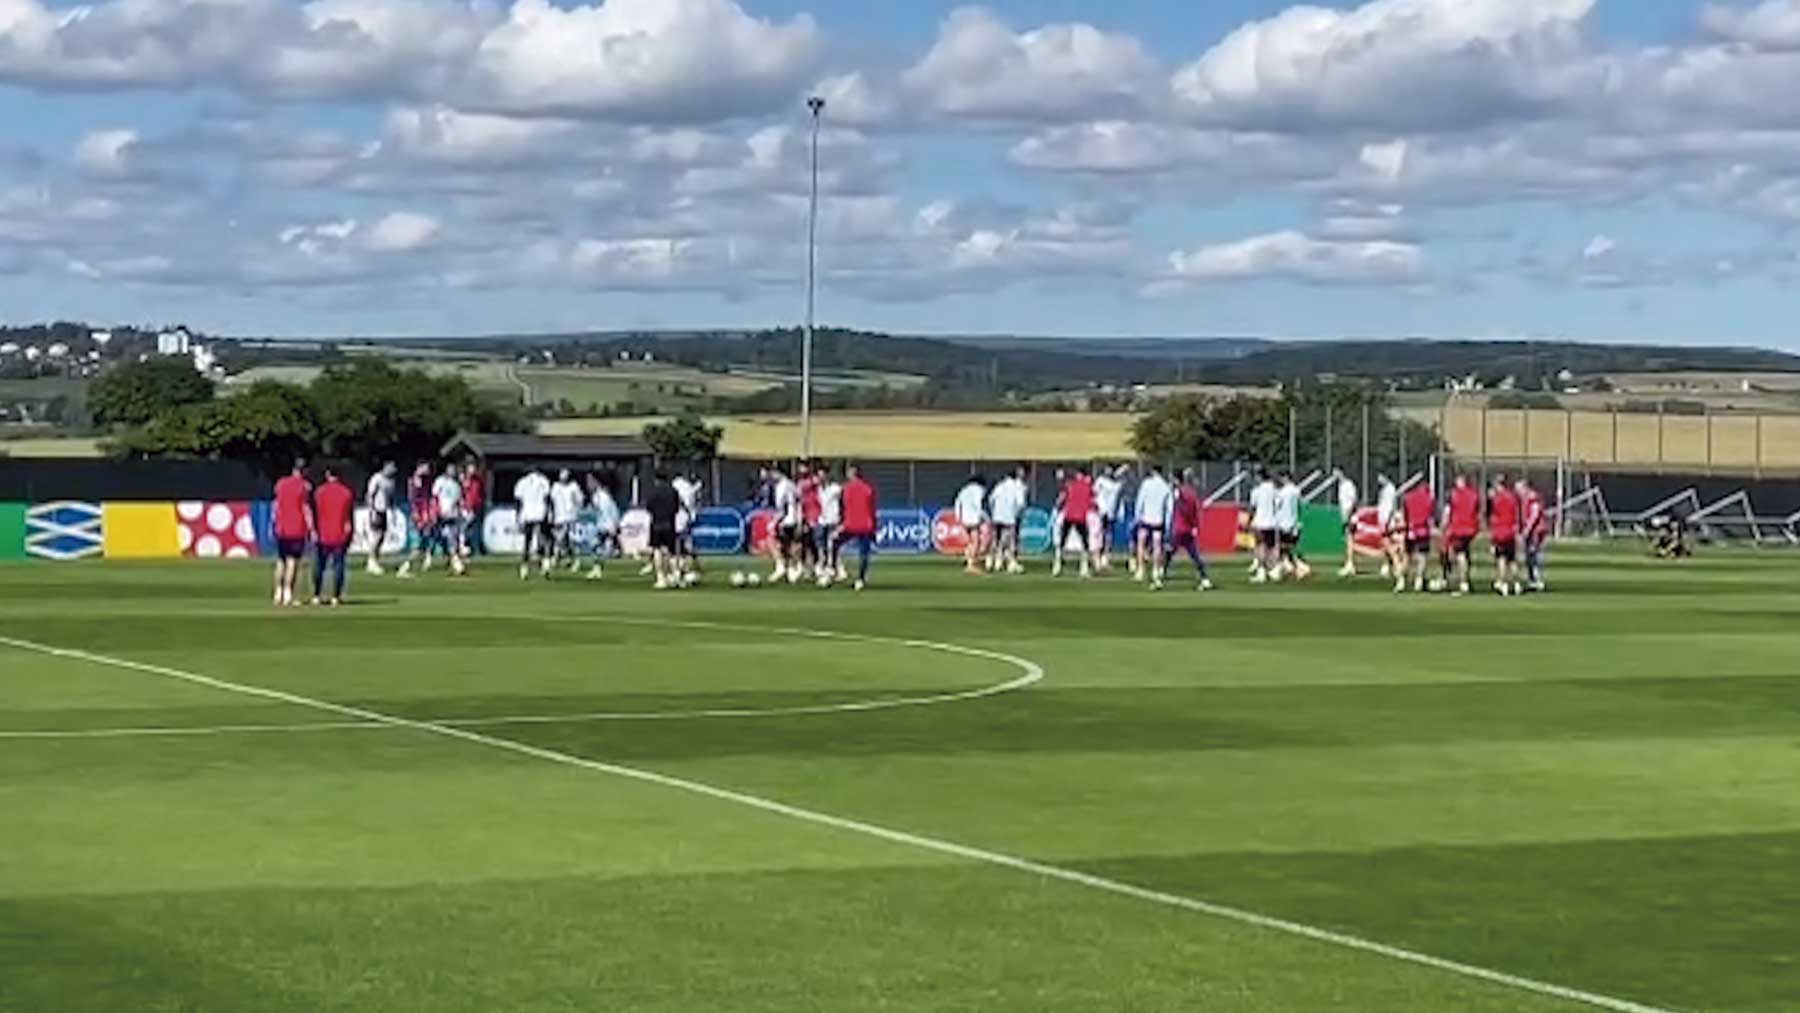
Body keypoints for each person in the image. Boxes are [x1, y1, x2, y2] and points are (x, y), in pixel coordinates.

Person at [311, 465, 355, 607]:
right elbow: (349, 517)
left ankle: (317, 595)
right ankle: (336, 596)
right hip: (340, 533)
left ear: (327, 475)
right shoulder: (346, 493)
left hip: (323, 533)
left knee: (319, 565)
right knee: (338, 565)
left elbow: (315, 512)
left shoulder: (319, 492)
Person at [271, 459, 312, 607]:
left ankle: (278, 591)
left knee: (281, 561)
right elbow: (305, 508)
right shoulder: (305, 486)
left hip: (281, 527)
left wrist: (275, 524)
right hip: (297, 527)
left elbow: (275, 506)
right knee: (292, 562)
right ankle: (288, 593)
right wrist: (311, 527)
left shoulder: (280, 484)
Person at [1169, 468, 1215, 592]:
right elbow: (1195, 511)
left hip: (1180, 528)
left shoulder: (1180, 493)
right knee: (1194, 555)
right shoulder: (1191, 492)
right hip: (1187, 529)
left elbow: (1187, 511)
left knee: (1169, 553)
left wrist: (1178, 501)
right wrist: (1195, 526)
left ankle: (1159, 576)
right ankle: (1205, 578)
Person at [838, 462, 878, 591]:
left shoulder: (846, 488)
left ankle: (832, 569)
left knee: (833, 544)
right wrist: (874, 527)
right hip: (866, 525)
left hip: (851, 524)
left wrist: (841, 523)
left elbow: (843, 508)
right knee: (864, 553)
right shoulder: (868, 488)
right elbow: (872, 509)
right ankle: (860, 579)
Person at [1133, 463, 1174, 589]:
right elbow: (1170, 508)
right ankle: (1156, 569)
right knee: (1157, 546)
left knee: (1141, 543)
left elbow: (1140, 501)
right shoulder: (1166, 486)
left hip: (1146, 518)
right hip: (1158, 519)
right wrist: (1168, 523)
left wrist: (1137, 516)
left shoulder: (1146, 484)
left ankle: (1140, 570)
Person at [1053, 465, 1097, 579]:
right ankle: (1084, 568)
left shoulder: (1070, 485)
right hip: (1080, 516)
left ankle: (1057, 565)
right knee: (1085, 543)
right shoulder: (1088, 486)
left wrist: (1057, 508)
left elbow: (1061, 498)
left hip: (1069, 515)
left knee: (1062, 541)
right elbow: (1093, 501)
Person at [1443, 473, 1481, 596]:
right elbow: (1477, 511)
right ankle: (1465, 579)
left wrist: (1444, 525)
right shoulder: (1474, 494)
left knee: (1459, 555)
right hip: (1470, 529)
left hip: (1458, 528)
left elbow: (1447, 511)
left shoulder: (1454, 494)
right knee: (1465, 552)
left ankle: (1463, 582)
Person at [395, 462, 435, 578]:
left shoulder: (425, 482)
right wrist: (418, 515)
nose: (427, 470)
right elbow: (414, 500)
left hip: (423, 514)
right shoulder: (414, 482)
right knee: (417, 545)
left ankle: (411, 565)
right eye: (425, 467)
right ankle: (405, 567)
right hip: (418, 516)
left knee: (423, 543)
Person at [645, 469, 683, 589]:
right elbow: (677, 508)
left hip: (656, 523)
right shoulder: (673, 491)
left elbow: (648, 507)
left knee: (657, 550)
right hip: (669, 523)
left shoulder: (652, 492)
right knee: (671, 552)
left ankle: (661, 578)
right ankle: (675, 575)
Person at [987, 465, 1028, 574]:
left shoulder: (999, 486)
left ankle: (992, 561)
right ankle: (1009, 563)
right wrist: (1017, 514)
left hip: (997, 516)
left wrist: (994, 511)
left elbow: (991, 500)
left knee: (995, 539)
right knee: (1009, 541)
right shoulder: (1017, 487)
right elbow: (1020, 503)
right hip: (1009, 518)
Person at [514, 466, 553, 580]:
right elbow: (547, 498)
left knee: (527, 541)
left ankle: (524, 568)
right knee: (544, 539)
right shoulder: (544, 481)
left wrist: (518, 515)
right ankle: (546, 564)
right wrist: (549, 513)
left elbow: (518, 500)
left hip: (527, 513)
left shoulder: (522, 482)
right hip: (540, 512)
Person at [1488, 473, 1523, 597]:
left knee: (1501, 559)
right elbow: (1517, 514)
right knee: (1512, 560)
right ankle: (1517, 584)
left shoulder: (1496, 498)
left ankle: (1503, 583)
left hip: (1500, 531)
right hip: (1510, 531)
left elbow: (1492, 515)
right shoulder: (1513, 497)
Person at [432, 463, 468, 577]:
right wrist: (435, 511)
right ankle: (453, 562)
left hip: (453, 515)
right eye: (451, 469)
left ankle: (456, 564)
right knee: (439, 539)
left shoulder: (457, 485)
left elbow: (459, 501)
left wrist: (462, 512)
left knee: (453, 540)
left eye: (454, 469)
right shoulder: (440, 481)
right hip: (442, 514)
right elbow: (434, 497)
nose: (453, 471)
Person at [585, 470, 621, 581]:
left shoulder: (601, 496)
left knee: (596, 546)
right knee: (597, 548)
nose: (588, 484)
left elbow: (608, 511)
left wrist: (612, 525)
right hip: (605, 525)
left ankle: (598, 568)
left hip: (605, 525)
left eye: (590, 481)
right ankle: (597, 568)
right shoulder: (599, 495)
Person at [1401, 478, 1435, 593]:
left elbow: (1404, 514)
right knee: (1422, 557)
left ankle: (1402, 580)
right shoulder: (1429, 499)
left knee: (1407, 556)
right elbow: (1431, 515)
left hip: (1410, 530)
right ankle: (1419, 580)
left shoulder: (1408, 497)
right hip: (1423, 530)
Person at [1274, 471, 1309, 581]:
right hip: (1294, 523)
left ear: (1285, 478)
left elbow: (1277, 505)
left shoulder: (1282, 492)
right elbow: (1301, 504)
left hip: (1284, 523)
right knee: (1290, 548)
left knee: (1283, 548)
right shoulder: (1296, 490)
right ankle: (1294, 568)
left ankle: (1296, 568)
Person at [364, 461, 397, 576]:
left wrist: (392, 512)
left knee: (382, 536)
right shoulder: (377, 478)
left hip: (384, 511)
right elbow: (370, 495)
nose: (393, 470)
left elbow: (390, 498)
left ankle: (375, 559)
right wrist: (371, 510)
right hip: (376, 510)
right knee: (377, 535)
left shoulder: (391, 482)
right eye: (391, 467)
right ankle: (371, 560)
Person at [771, 464, 802, 583]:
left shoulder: (782, 486)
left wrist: (776, 521)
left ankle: (783, 567)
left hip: (787, 520)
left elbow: (782, 506)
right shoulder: (791, 485)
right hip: (793, 518)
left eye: (774, 472)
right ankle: (792, 568)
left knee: (781, 543)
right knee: (791, 544)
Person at [1247, 469, 1279, 584]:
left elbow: (1252, 508)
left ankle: (1261, 572)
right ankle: (1273, 570)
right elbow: (1277, 505)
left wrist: (1249, 521)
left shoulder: (1256, 491)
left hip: (1259, 522)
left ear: (1260, 477)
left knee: (1260, 546)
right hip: (1272, 522)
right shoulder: (1275, 490)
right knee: (1271, 548)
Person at [550, 468, 584, 573]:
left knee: (573, 541)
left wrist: (576, 507)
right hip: (559, 517)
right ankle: (559, 558)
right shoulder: (555, 487)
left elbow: (580, 500)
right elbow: (552, 501)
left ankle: (575, 560)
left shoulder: (574, 487)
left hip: (571, 517)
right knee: (560, 540)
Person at [953, 474, 989, 575]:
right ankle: (971, 565)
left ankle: (970, 560)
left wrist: (958, 517)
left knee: (971, 541)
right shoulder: (979, 490)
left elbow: (957, 503)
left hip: (964, 518)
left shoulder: (964, 490)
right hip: (973, 518)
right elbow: (978, 504)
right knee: (976, 541)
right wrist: (983, 516)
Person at [1518, 477, 1548, 591]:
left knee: (1535, 556)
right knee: (1530, 556)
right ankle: (1532, 580)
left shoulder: (1533, 498)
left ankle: (1538, 580)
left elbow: (1534, 516)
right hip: (1532, 531)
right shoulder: (1525, 499)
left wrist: (1526, 530)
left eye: (1519, 489)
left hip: (1537, 532)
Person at [818, 465, 846, 582]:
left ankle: (837, 569)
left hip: (834, 520)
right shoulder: (820, 489)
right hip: (823, 520)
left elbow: (843, 500)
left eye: (823, 474)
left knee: (832, 547)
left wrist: (842, 518)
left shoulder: (835, 488)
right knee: (823, 547)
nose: (821, 477)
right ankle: (829, 568)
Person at [1094, 464, 1123, 573]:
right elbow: (1094, 494)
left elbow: (1118, 497)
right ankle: (1097, 560)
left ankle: (1105, 559)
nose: (1108, 471)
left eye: (1110, 470)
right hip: (1101, 512)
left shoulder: (1117, 484)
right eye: (1107, 469)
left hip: (1111, 513)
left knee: (1109, 537)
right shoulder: (1100, 481)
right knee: (1099, 535)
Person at [1335, 470, 1360, 578]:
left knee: (1350, 540)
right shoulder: (1341, 485)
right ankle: (1350, 564)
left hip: (1350, 517)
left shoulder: (1348, 485)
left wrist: (1348, 516)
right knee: (1348, 540)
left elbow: (1353, 501)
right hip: (1346, 516)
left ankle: (1350, 565)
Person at [459, 462, 486, 558]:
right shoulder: (464, 480)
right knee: (465, 529)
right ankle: (464, 548)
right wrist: (463, 505)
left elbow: (481, 493)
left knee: (476, 529)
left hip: (477, 506)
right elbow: (462, 493)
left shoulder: (478, 480)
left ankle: (475, 548)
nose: (472, 470)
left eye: (474, 467)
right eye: (471, 468)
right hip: (467, 507)